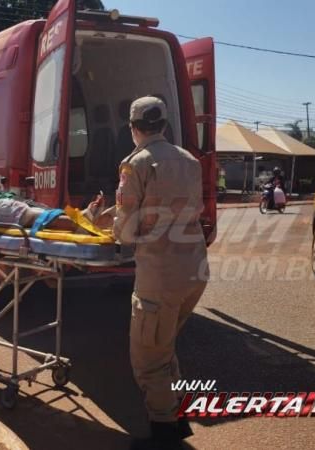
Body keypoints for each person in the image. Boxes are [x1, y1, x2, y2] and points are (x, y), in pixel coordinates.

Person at [114, 97, 209, 449]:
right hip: (194, 272)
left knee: (148, 360)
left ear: (133, 128)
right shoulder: (188, 160)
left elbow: (125, 229)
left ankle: (165, 436)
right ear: (165, 125)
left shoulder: (135, 164)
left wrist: (113, 231)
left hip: (161, 275)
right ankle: (176, 415)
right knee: (164, 348)